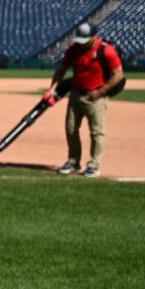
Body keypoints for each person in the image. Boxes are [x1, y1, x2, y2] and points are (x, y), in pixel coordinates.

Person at [46, 21, 123, 177]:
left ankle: (94, 165)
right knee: (70, 128)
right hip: (76, 94)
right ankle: (73, 161)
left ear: (94, 37)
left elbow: (118, 74)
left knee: (96, 132)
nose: (82, 44)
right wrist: (52, 89)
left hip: (96, 97)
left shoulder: (106, 51)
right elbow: (62, 69)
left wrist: (101, 91)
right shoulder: (74, 49)